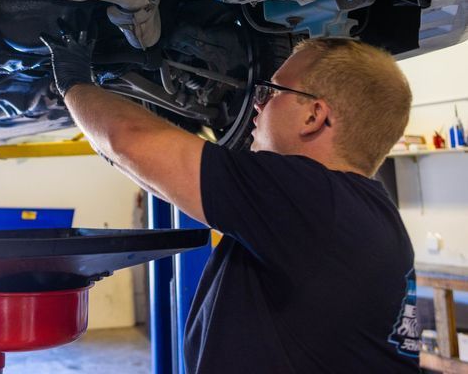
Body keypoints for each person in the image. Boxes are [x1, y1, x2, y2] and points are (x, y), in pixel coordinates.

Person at [41, 26, 420, 373]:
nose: (256, 104)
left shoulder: (311, 199)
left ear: (314, 116)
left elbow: (131, 138)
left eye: (273, 92)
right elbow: (156, 169)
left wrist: (74, 82)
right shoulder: (354, 210)